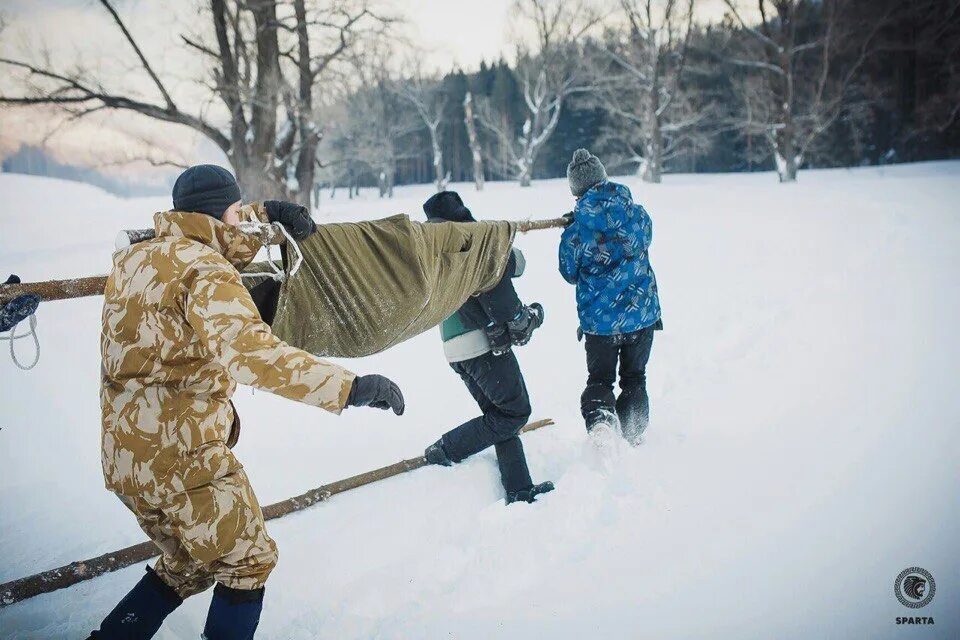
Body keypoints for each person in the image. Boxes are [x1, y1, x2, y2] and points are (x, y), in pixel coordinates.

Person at [91, 164, 405, 639]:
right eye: (238, 211)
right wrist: (349, 387)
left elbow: (217, 232)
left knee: (188, 563)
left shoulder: (137, 258)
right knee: (248, 561)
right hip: (183, 455)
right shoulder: (206, 270)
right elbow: (253, 357)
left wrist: (270, 214)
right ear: (222, 213)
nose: (242, 220)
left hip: (127, 457)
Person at [421, 191, 554, 504]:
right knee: (515, 413)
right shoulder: (473, 246)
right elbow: (501, 287)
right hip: (481, 346)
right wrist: (527, 318)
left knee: (498, 414)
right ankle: (447, 449)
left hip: (455, 349)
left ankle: (519, 489)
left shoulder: (437, 249)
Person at [559, 149, 662, 444]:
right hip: (641, 316)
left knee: (600, 380)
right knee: (634, 378)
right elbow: (644, 238)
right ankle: (633, 435)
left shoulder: (576, 232)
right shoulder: (637, 214)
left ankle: (601, 421)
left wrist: (575, 226)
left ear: (577, 192)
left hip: (600, 323)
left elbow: (568, 272)